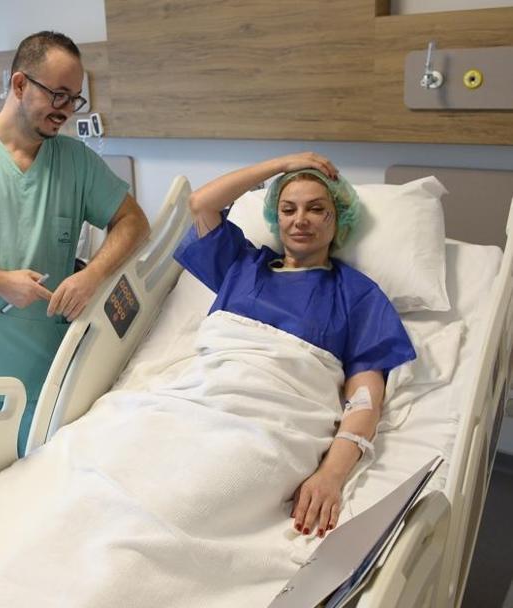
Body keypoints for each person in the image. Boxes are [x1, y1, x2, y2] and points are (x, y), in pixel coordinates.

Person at [0, 31, 150, 454]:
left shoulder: (76, 162)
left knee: (36, 476)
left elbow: (134, 222)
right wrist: (0, 281)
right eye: (58, 95)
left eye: (74, 99)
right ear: (19, 84)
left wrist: (92, 276)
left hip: (39, 367)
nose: (66, 109)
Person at [173, 151, 416, 538]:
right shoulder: (243, 265)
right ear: (276, 217)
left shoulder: (356, 294)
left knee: (191, 500)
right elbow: (201, 203)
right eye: (288, 209)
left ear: (338, 219)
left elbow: (365, 400)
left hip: (271, 425)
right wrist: (283, 165)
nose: (300, 219)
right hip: (195, 403)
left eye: (316, 209)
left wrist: (331, 474)